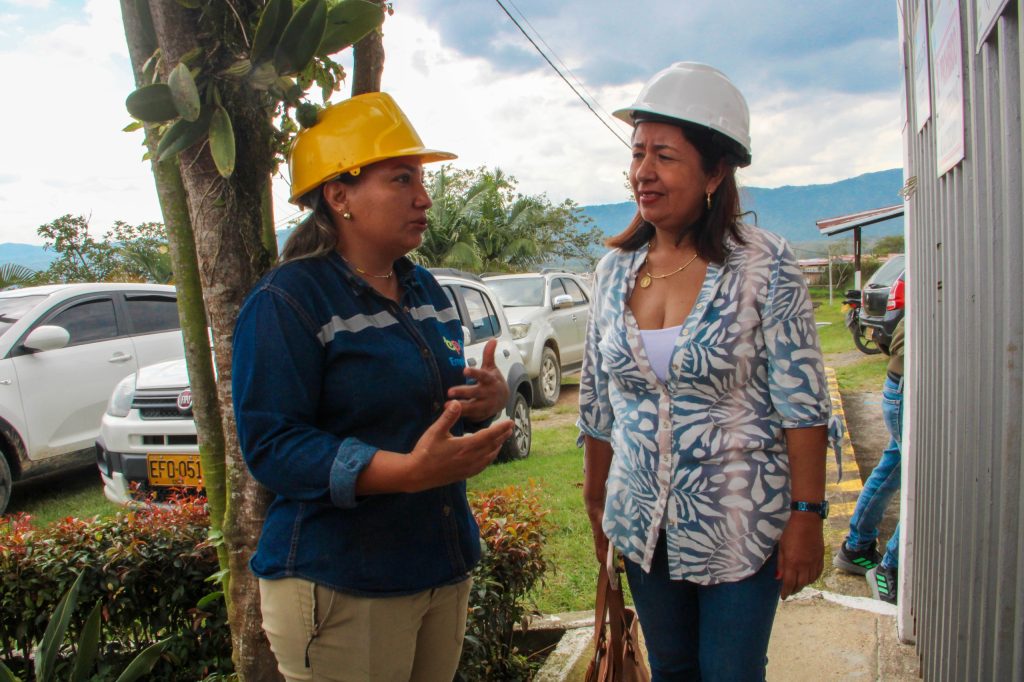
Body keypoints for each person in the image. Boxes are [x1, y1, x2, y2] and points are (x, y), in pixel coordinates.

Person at [231, 92, 514, 682]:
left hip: (438, 563)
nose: (424, 197)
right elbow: (273, 445)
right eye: (402, 179)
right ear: (340, 196)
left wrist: (481, 404)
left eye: (422, 179)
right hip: (341, 581)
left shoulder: (427, 292)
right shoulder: (287, 301)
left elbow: (435, 419)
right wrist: (405, 472)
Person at [578, 62, 840, 681]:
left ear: (715, 171)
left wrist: (806, 515)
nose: (644, 171)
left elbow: (803, 403)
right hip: (642, 522)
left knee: (732, 671)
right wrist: (598, 504)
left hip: (740, 520)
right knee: (671, 669)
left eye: (664, 156)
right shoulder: (612, 271)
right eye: (638, 153)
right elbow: (597, 403)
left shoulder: (764, 264)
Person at [834, 316, 905, 604]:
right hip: (907, 389)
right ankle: (891, 566)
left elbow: (890, 341)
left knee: (893, 470)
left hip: (897, 387)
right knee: (926, 483)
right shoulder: (943, 291)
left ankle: (857, 547)